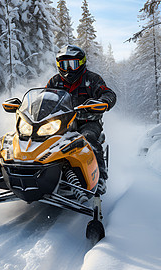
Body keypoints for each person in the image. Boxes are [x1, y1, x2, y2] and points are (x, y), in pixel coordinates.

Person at [46, 45, 116, 196]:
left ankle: (101, 178)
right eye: (64, 65)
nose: (68, 69)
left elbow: (108, 93)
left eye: (73, 64)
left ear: (82, 63)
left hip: (87, 122)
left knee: (88, 139)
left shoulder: (92, 79)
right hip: (61, 124)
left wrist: (103, 102)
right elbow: (44, 99)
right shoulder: (55, 82)